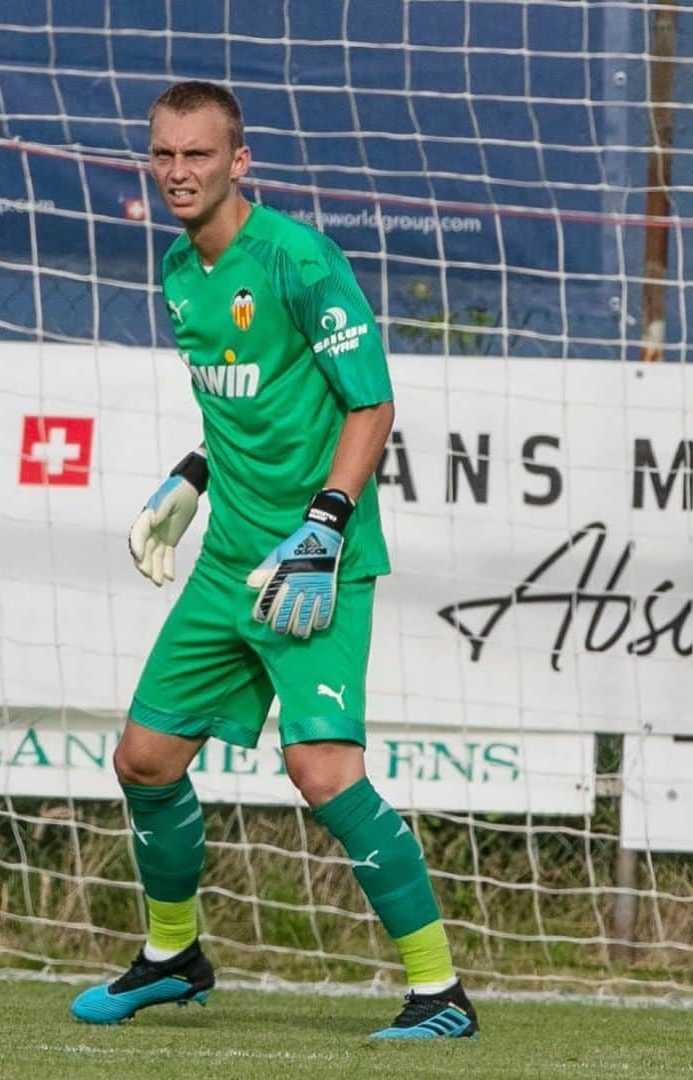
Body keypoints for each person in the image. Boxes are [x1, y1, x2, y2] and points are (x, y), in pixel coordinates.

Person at [70, 80, 479, 1040]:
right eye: (164, 155)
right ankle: (174, 957)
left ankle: (441, 993)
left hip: (316, 558)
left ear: (238, 161)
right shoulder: (178, 270)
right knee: (144, 757)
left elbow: (368, 404)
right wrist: (191, 476)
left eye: (199, 155)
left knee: (323, 771)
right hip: (228, 559)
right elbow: (250, 407)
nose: (179, 172)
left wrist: (327, 524)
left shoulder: (299, 259)